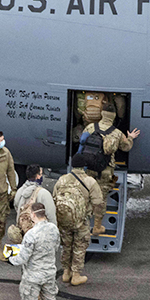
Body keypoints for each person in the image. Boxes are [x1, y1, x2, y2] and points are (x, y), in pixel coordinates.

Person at [80, 104, 140, 235]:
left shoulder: (90, 127)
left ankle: (82, 223)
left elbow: (82, 141)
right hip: (105, 171)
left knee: (86, 195)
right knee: (101, 199)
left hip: (88, 168)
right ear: (113, 117)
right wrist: (130, 137)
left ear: (102, 114)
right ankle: (97, 226)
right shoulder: (117, 133)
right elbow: (126, 147)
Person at [8, 202, 61, 300]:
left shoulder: (31, 234)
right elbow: (56, 247)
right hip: (49, 273)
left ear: (32, 215)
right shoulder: (53, 229)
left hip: (33, 276)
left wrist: (9, 259)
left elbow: (22, 258)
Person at [53, 153, 103, 286]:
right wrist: (95, 217)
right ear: (84, 166)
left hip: (64, 220)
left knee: (66, 246)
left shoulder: (62, 180)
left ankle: (65, 272)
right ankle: (76, 275)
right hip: (81, 221)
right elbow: (98, 202)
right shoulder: (90, 181)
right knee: (80, 246)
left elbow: (54, 197)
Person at [9, 165, 56, 243]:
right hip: (40, 236)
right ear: (37, 177)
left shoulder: (20, 191)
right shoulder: (43, 193)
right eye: (41, 174)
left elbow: (16, 207)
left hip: (24, 233)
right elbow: (51, 215)